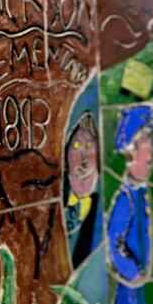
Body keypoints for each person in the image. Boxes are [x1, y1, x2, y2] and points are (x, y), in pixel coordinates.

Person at [107, 105, 153, 304]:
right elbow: (114, 243)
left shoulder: (140, 192)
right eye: (145, 143)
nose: (150, 152)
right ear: (130, 150)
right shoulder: (126, 197)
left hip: (136, 292)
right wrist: (131, 272)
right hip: (128, 292)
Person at [64, 112, 101, 268]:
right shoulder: (52, 202)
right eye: (77, 147)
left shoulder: (101, 209)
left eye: (90, 147)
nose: (84, 158)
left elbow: (118, 241)